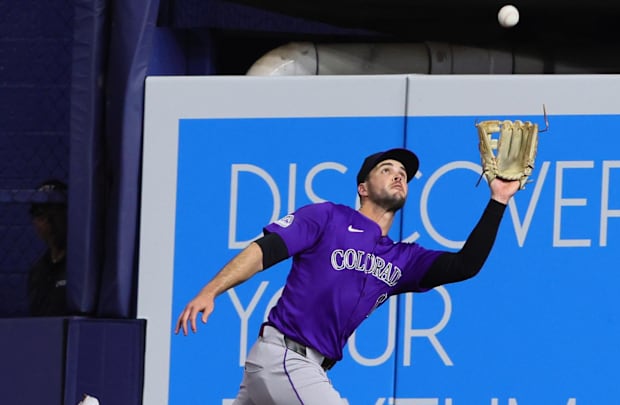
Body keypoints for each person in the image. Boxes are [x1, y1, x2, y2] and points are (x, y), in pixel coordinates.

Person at [175, 148, 521, 404]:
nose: (398, 175)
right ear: (363, 188)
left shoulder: (400, 259)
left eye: (403, 172)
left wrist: (499, 200)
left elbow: (466, 265)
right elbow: (267, 249)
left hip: (296, 368)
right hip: (287, 358)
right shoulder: (328, 218)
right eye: (387, 169)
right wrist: (212, 290)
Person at [26, 179, 70, 316]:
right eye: (40, 214)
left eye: (55, 212)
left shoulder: (83, 269)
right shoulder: (37, 272)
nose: (48, 221)